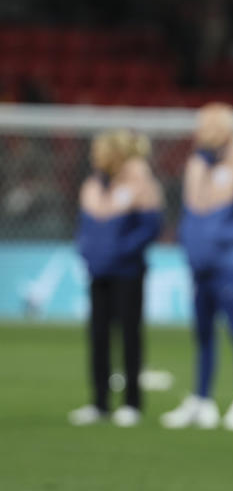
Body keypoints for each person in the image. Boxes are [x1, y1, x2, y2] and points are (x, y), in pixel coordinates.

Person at [160, 103, 233, 431]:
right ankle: (202, 400)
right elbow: (190, 210)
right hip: (199, 263)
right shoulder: (196, 163)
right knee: (203, 333)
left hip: (228, 264)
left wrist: (224, 236)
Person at [69, 130, 163, 427]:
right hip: (98, 272)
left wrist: (121, 251)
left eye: (99, 151)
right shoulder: (94, 183)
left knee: (129, 336)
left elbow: (150, 227)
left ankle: (132, 403)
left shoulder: (140, 183)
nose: (93, 156)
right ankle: (99, 402)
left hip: (128, 273)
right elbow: (83, 227)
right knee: (98, 336)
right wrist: (87, 251)